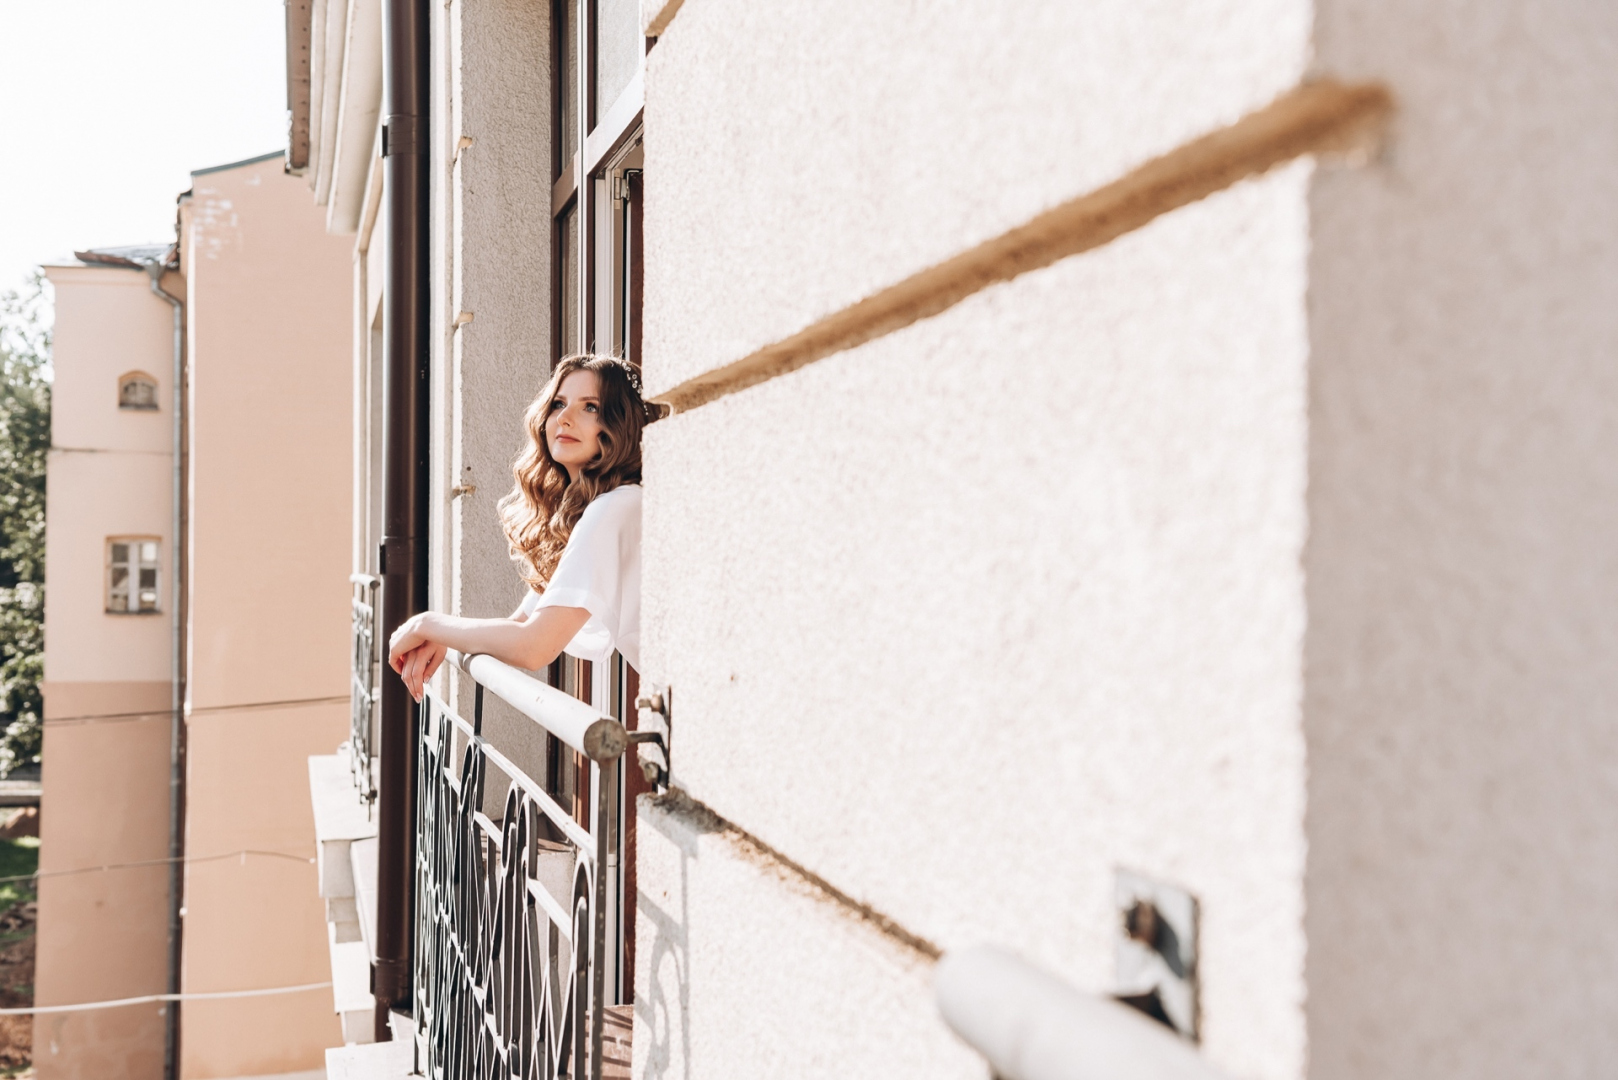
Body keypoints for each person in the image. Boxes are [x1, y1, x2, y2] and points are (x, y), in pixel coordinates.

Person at [387, 353, 648, 701]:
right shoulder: (593, 511)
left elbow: (534, 646)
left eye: (590, 407)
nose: (565, 418)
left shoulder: (615, 507)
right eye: (558, 404)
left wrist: (426, 623)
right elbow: (520, 624)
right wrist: (447, 637)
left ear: (619, 424)